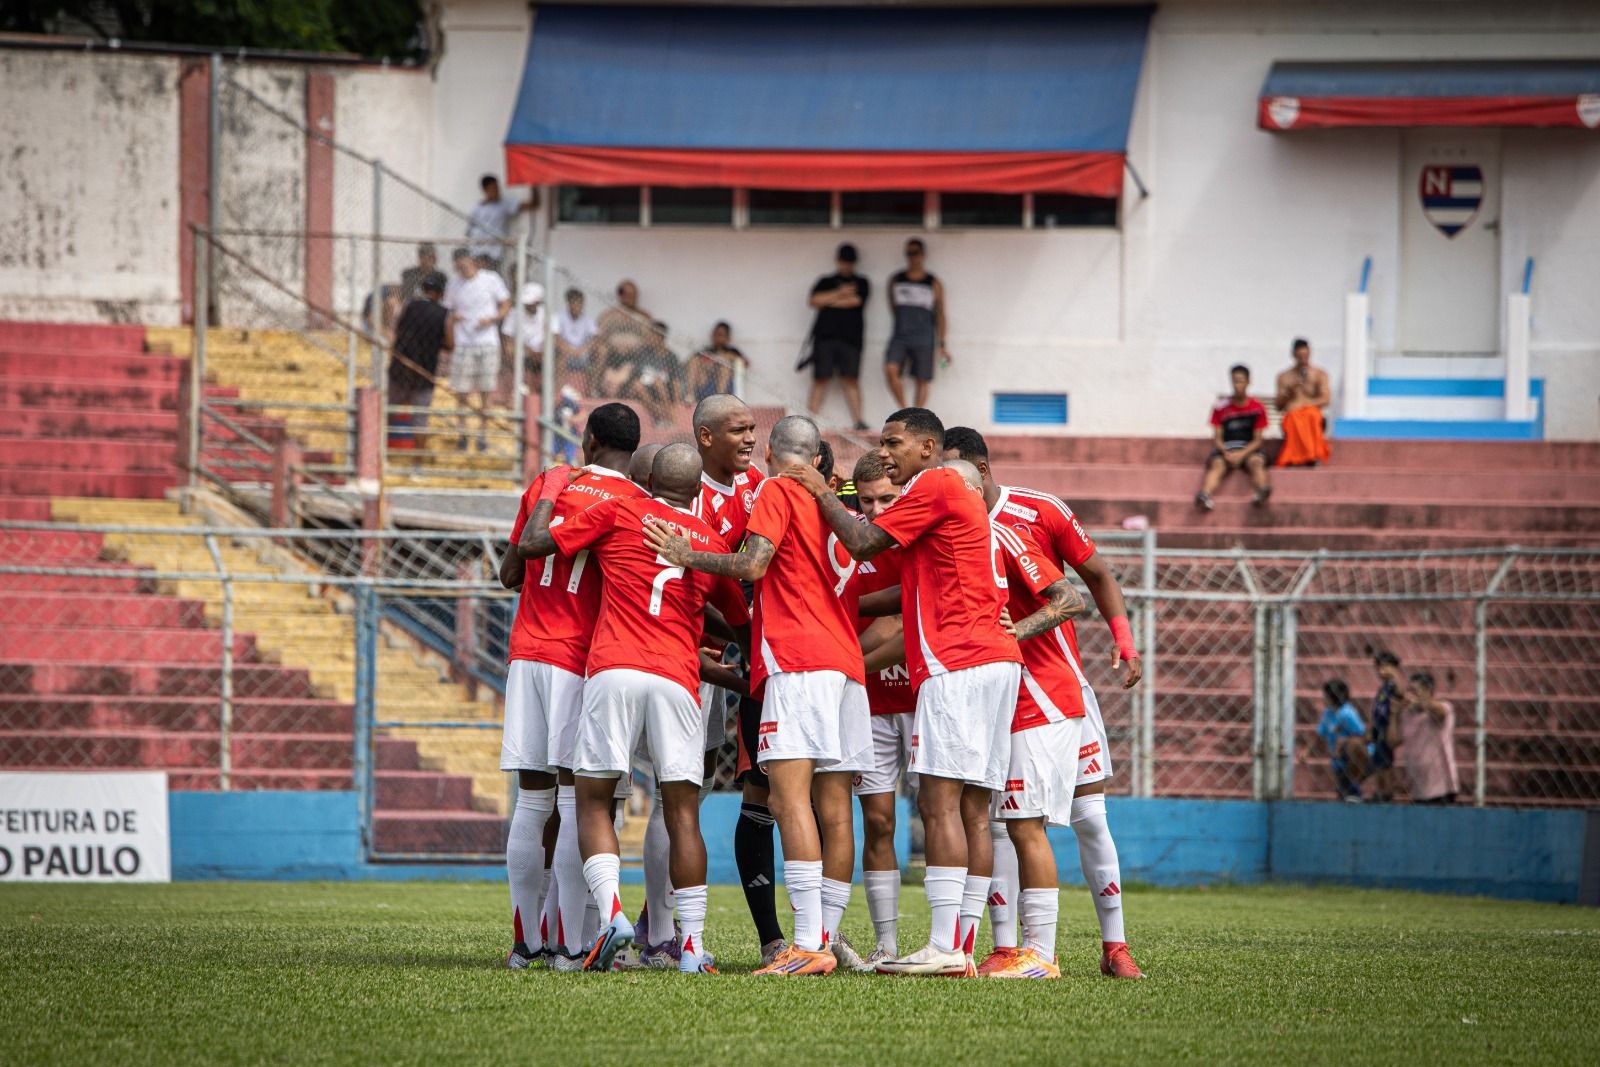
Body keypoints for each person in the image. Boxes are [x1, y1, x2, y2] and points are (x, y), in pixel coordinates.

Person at [781, 407, 1021, 977]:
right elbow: (901, 589)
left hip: (957, 662)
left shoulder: (934, 484)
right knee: (972, 809)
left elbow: (862, 542)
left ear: (928, 447)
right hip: (993, 660)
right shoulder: (946, 494)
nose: (884, 452)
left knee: (939, 803)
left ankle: (944, 946)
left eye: (894, 442)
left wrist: (820, 489)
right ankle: (959, 943)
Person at [646, 416, 873, 976]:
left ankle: (803, 946)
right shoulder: (839, 509)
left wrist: (686, 553)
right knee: (835, 810)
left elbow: (752, 564)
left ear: (773, 451)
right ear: (820, 458)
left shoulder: (776, 489)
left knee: (786, 799)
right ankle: (824, 936)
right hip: (846, 665)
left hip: (797, 660)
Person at [515, 443, 751, 975]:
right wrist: (746, 669)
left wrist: (553, 488)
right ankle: (689, 946)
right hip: (676, 679)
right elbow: (740, 624)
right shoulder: (707, 540)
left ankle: (614, 915)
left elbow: (535, 545)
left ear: (649, 481)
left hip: (613, 670)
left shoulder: (621, 510)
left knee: (593, 801)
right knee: (683, 812)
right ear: (696, 491)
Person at [941, 426, 1146, 980]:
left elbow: (1090, 581)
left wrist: (1124, 643)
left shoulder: (1033, 514)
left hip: (1056, 687)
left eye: (949, 471)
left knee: (1087, 816)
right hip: (1001, 693)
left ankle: (1111, 947)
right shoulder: (949, 525)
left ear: (978, 470)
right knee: (1007, 820)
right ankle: (1008, 948)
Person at [495, 402, 645, 970]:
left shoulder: (547, 484)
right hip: (584, 661)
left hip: (527, 653)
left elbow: (510, 573)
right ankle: (568, 947)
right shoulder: (634, 503)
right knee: (574, 801)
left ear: (586, 440)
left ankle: (524, 943)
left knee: (530, 803)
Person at [948, 459, 1087, 979]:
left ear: (977, 482)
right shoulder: (963, 541)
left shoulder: (1001, 535)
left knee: (1028, 826)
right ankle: (1010, 948)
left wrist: (1015, 631)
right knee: (1010, 825)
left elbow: (1070, 598)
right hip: (1011, 702)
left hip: (1043, 700)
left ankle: (1042, 955)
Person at [841, 452, 913, 965]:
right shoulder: (850, 546)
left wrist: (844, 664)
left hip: (924, 698)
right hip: (870, 706)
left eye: (887, 498)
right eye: (865, 501)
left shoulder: (921, 538)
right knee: (879, 822)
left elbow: (904, 630)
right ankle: (885, 943)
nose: (876, 509)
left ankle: (963, 941)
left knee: (947, 812)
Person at [443, 248, 511, 450]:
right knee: (461, 392)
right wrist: (454, 319)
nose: (462, 268)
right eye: (458, 266)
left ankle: (483, 435)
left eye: (465, 264)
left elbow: (506, 303)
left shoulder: (490, 279)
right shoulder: (453, 284)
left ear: (472, 262)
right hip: (463, 344)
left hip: (487, 342)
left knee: (485, 392)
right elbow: (449, 310)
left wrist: (494, 318)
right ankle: (463, 433)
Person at [807, 243, 870, 430]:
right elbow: (814, 300)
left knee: (850, 379)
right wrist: (840, 293)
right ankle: (809, 421)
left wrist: (829, 300)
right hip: (824, 338)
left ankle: (859, 421)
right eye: (844, 261)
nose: (846, 265)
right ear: (837, 260)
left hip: (850, 339)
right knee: (821, 378)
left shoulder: (861, 282)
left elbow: (855, 301)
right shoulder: (825, 281)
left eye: (849, 262)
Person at [386, 272, 450, 450]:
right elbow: (450, 343)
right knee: (420, 420)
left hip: (400, 369)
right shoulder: (444, 314)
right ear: (441, 293)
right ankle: (418, 465)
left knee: (387, 413)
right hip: (425, 373)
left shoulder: (409, 306)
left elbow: (397, 329)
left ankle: (379, 454)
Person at [884, 239, 950, 410]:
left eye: (915, 253)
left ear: (923, 255)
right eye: (909, 253)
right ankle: (904, 410)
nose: (912, 257)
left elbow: (940, 314)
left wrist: (942, 344)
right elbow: (893, 306)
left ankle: (917, 415)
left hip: (924, 336)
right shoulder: (896, 280)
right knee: (891, 368)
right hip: (900, 335)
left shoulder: (933, 283)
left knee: (922, 379)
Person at [1196, 364, 1271, 511]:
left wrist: (1242, 454)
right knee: (1217, 464)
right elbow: (1217, 438)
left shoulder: (1258, 408)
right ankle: (1204, 495)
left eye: (1241, 381)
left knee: (1256, 462)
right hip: (1226, 450)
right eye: (1235, 381)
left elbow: (1258, 440)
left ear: (1248, 382)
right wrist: (1226, 453)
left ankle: (1261, 491)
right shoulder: (1220, 407)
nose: (1237, 385)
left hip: (1249, 450)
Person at [1342, 650, 1406, 802]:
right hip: (1379, 728)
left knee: (1386, 762)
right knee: (1379, 762)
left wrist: (1395, 674)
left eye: (1385, 668)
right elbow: (1377, 709)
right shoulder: (1383, 688)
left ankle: (1386, 793)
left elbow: (1401, 691)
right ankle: (1380, 792)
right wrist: (1372, 729)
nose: (1381, 672)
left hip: (1387, 728)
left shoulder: (1394, 684)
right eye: (1378, 668)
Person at [1396, 671, 1459, 805]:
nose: (1410, 695)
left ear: (1428, 690)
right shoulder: (1408, 714)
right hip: (1418, 786)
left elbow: (1439, 713)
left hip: (1442, 786)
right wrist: (1394, 713)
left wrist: (1422, 700)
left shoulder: (1444, 707)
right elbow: (1394, 740)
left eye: (1415, 690)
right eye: (1410, 690)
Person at [1275, 338, 1332, 468]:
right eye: (1299, 356)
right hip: (1292, 416)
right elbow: (1278, 405)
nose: (1303, 359)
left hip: (1312, 413)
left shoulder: (1319, 374)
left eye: (1305, 355)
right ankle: (1296, 457)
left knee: (1312, 416)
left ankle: (1311, 455)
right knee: (1293, 417)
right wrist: (1289, 393)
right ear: (1294, 355)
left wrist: (1305, 404)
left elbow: (1326, 399)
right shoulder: (1284, 376)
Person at [592, 280, 655, 397]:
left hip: (635, 356)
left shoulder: (644, 316)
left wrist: (634, 348)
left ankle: (629, 393)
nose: (633, 299)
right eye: (629, 296)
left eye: (635, 296)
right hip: (612, 356)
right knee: (601, 351)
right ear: (620, 296)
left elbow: (651, 338)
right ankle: (594, 390)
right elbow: (597, 335)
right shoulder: (610, 315)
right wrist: (613, 346)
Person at [467, 175, 534, 273]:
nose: (497, 191)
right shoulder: (477, 207)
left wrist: (533, 185)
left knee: (491, 277)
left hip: (493, 253)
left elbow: (532, 204)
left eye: (497, 187)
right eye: (493, 188)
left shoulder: (503, 205)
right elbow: (469, 229)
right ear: (485, 189)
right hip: (477, 251)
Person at [1312, 679, 1366, 800]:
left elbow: (1361, 735)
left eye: (1325, 696)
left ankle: (1354, 792)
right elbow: (1320, 733)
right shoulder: (1328, 713)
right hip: (1337, 760)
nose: (1323, 698)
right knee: (1342, 790)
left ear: (1333, 697)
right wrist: (1307, 750)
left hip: (1349, 759)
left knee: (1350, 789)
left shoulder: (1347, 713)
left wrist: (1343, 741)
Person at [499, 282, 547, 409]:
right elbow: (508, 338)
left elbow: (552, 338)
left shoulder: (546, 314)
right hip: (522, 352)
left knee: (555, 354)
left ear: (538, 302)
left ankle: (546, 393)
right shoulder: (514, 314)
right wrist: (528, 350)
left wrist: (541, 351)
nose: (528, 305)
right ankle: (516, 389)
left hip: (541, 352)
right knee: (509, 350)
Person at [686, 321, 746, 403]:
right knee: (695, 361)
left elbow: (745, 363)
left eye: (721, 335)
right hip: (704, 383)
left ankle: (718, 399)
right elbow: (691, 361)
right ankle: (690, 395)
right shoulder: (707, 350)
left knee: (725, 367)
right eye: (715, 334)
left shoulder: (732, 351)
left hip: (723, 387)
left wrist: (727, 357)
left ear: (727, 338)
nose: (717, 337)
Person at [555, 288, 599, 374]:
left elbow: (596, 338)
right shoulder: (559, 317)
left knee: (601, 350)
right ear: (568, 303)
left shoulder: (588, 319)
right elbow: (555, 338)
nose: (577, 306)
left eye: (579, 303)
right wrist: (571, 351)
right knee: (560, 354)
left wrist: (583, 350)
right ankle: (558, 386)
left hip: (583, 355)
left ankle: (593, 386)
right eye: (574, 302)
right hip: (565, 354)